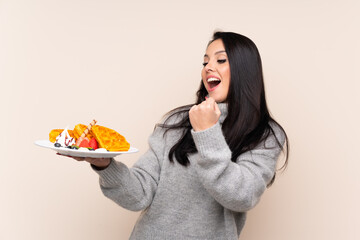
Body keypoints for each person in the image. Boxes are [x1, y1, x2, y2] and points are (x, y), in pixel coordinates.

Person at [66, 31, 289, 240]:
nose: (208, 67)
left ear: (244, 70)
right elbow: (139, 194)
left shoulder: (265, 134)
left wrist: (207, 132)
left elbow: (242, 196)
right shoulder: (176, 122)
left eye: (220, 60)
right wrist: (104, 164)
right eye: (205, 62)